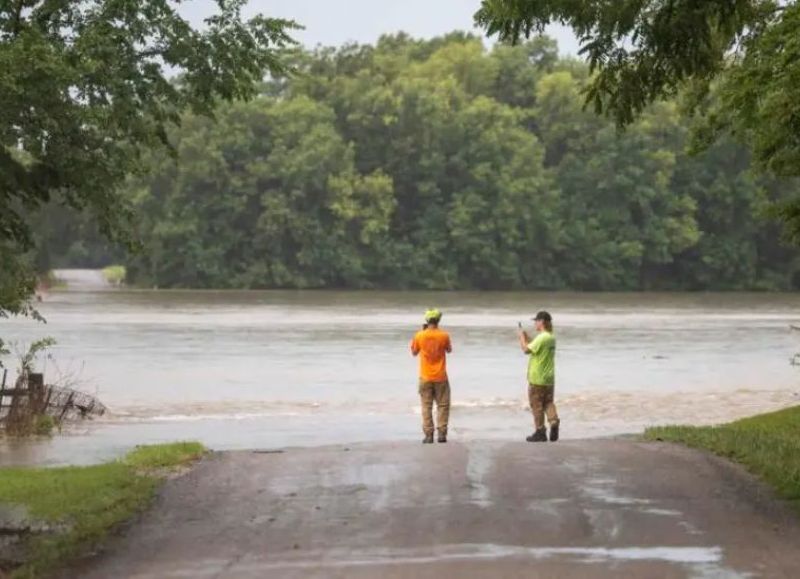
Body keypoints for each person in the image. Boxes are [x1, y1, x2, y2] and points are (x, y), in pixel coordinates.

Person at [410, 308, 452, 444]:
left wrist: (422, 332)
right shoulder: (444, 335)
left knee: (426, 406)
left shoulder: (419, 335)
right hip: (441, 376)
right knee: (443, 405)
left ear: (426, 320)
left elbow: (414, 352)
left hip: (425, 377)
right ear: (438, 320)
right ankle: (442, 434)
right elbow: (449, 350)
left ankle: (428, 435)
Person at [519, 311, 559, 442]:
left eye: (536, 321)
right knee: (548, 402)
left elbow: (526, 350)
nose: (535, 323)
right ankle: (553, 421)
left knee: (536, 405)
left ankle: (540, 431)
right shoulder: (550, 337)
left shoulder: (542, 338)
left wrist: (521, 338)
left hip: (537, 378)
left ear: (542, 322)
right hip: (549, 378)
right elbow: (535, 346)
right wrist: (527, 337)